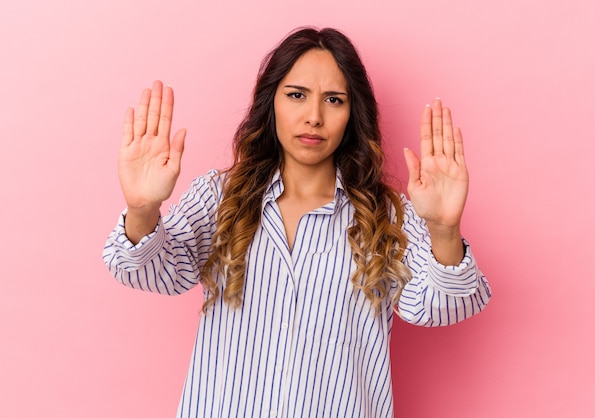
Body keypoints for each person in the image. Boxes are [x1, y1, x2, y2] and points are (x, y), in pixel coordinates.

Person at [103, 27, 491, 418]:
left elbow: (443, 306)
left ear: (352, 113)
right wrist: (143, 209)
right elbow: (151, 272)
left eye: (334, 100)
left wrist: (443, 228)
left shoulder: (387, 216)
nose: (314, 117)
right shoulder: (220, 197)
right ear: (271, 102)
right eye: (297, 95)